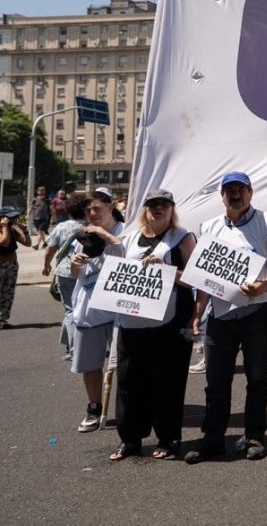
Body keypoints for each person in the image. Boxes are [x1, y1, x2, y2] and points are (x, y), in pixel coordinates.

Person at [184, 171, 267, 464]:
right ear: (222, 195)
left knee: (257, 379)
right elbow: (204, 278)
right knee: (216, 382)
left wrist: (266, 283)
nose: (235, 194)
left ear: (250, 193)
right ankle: (213, 439)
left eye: (240, 189)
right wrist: (197, 313)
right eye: (229, 190)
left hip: (256, 314)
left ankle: (255, 436)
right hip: (220, 317)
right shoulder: (208, 227)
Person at [109, 189, 198, 461]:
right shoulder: (131, 238)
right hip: (132, 323)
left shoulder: (182, 238)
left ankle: (168, 438)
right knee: (129, 382)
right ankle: (130, 439)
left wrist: (166, 270)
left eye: (164, 205)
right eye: (153, 205)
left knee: (167, 383)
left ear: (172, 209)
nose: (158, 209)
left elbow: (197, 278)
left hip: (168, 325)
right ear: (145, 209)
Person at [68, 191, 125, 430]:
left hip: (119, 311)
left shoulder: (125, 230)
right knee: (91, 364)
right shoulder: (81, 236)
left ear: (110, 207)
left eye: (97, 208)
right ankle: (94, 407)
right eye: (88, 210)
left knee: (126, 364)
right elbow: (75, 275)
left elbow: (128, 258)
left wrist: (105, 236)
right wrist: (74, 265)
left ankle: (130, 408)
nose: (92, 214)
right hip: (89, 308)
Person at [41, 195, 88, 359]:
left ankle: (74, 349)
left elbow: (50, 249)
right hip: (86, 271)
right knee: (82, 309)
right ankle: (73, 344)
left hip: (65, 271)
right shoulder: (91, 226)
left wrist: (46, 264)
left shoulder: (62, 226)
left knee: (70, 310)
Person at [0, 206, 32, 328]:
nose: (13, 219)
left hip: (11, 264)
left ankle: (2, 319)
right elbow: (4, 242)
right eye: (10, 217)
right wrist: (3, 227)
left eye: (14, 217)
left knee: (7, 293)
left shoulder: (12, 229)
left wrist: (24, 231)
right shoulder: (4, 228)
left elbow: (28, 243)